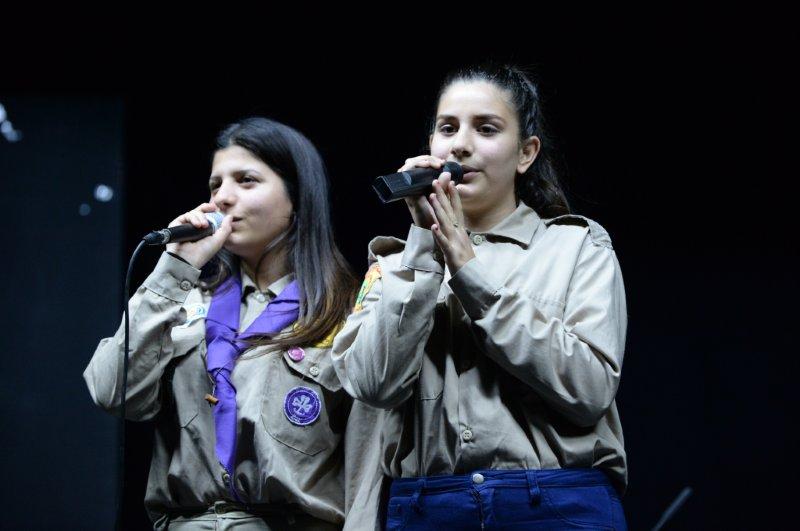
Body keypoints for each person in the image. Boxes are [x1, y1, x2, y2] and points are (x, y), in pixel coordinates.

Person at [331, 64, 628, 530]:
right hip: (429, 507)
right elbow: (374, 386)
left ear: (526, 153)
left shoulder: (577, 247)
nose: (460, 145)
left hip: (554, 503)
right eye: (447, 128)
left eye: (486, 129)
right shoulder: (395, 265)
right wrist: (424, 249)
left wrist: (470, 273)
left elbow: (590, 390)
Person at [84, 117, 383, 530]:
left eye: (246, 180)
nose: (223, 198)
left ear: (297, 198)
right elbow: (111, 392)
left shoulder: (348, 310)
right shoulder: (182, 300)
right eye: (215, 185)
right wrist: (174, 269)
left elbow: (367, 464)